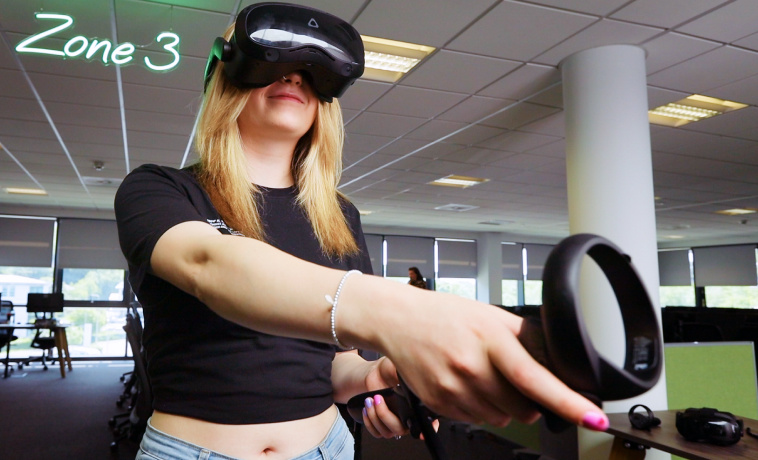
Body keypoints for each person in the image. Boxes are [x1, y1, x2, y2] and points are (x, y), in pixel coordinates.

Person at [115, 3, 609, 460]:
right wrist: (402, 312)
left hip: (327, 446)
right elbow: (208, 264)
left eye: (311, 72)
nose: (293, 77)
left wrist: (375, 375)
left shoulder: (339, 215)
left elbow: (334, 363)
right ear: (225, 78)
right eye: (273, 63)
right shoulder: (159, 189)